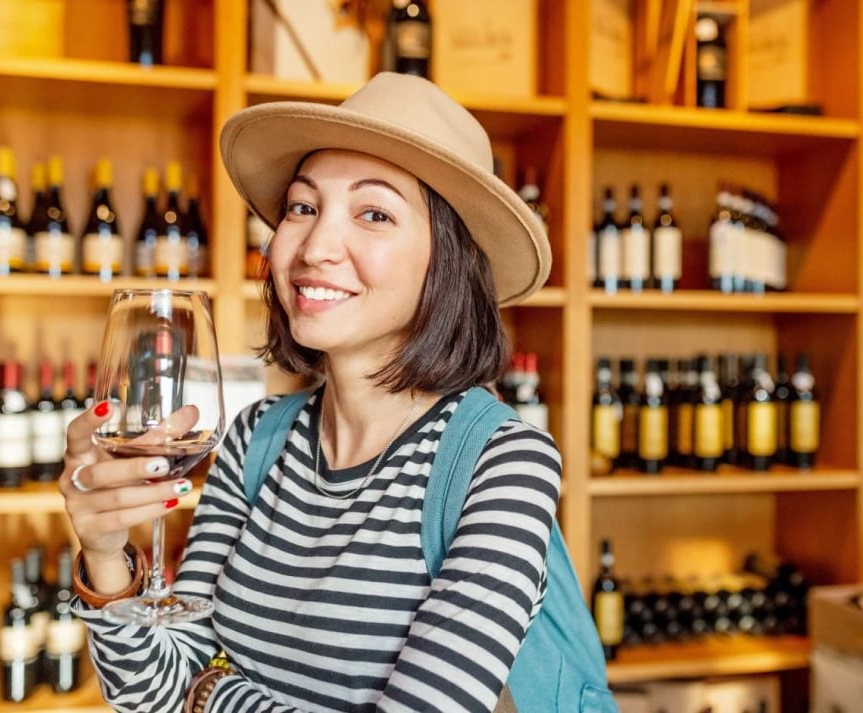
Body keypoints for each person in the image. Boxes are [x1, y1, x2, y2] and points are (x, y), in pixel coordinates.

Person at [60, 72, 559, 712]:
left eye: (374, 213)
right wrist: (105, 556)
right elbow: (153, 695)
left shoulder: (503, 463)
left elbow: (189, 691)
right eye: (302, 207)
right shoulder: (256, 437)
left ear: (448, 262)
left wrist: (210, 692)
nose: (315, 246)